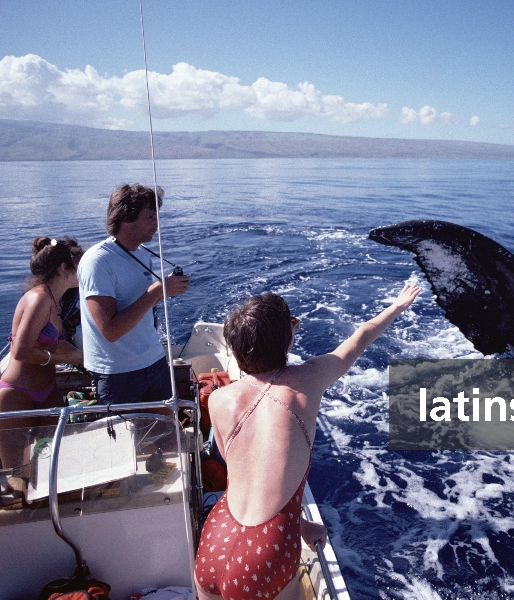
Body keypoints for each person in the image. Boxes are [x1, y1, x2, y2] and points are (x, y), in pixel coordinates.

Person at [194, 283, 422, 600]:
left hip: (216, 535)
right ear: (287, 339)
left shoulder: (218, 400)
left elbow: (245, 479)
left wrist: (301, 524)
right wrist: (397, 306)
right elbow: (361, 337)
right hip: (266, 552)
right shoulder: (308, 379)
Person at [78, 184, 190, 405]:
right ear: (127, 218)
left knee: (164, 434)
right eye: (150, 217)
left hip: (154, 361)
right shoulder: (98, 261)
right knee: (126, 440)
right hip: (118, 374)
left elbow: (141, 306)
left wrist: (163, 292)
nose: (156, 224)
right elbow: (109, 331)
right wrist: (157, 291)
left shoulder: (141, 254)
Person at [0, 237, 85, 469]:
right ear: (64, 268)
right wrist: (64, 358)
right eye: (80, 265)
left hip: (47, 391)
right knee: (16, 473)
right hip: (15, 395)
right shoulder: (39, 299)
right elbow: (20, 351)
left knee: (53, 467)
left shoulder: (56, 302)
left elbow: (51, 344)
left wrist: (82, 356)